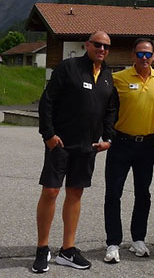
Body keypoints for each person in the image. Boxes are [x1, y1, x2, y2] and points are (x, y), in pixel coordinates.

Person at [33, 31, 117, 273]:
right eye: (98, 44)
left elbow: (111, 109)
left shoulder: (108, 77)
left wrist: (108, 139)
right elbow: (47, 101)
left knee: (75, 193)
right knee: (50, 191)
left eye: (106, 46)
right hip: (60, 143)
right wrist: (48, 135)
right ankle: (42, 248)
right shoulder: (68, 68)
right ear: (87, 45)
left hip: (87, 146)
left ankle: (67, 250)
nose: (102, 49)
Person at [103, 39, 154, 264]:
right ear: (132, 55)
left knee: (143, 194)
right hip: (121, 143)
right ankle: (113, 242)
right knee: (113, 193)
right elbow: (104, 108)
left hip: (147, 145)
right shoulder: (118, 78)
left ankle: (138, 238)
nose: (144, 58)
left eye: (148, 55)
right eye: (140, 54)